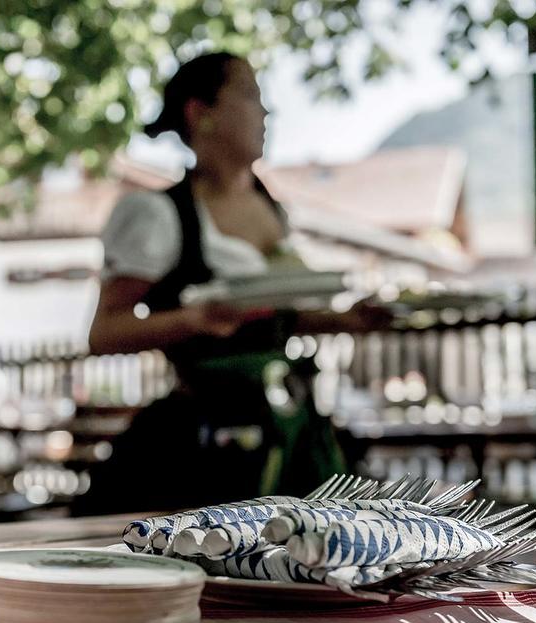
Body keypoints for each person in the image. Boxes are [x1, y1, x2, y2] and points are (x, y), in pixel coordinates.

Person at [74, 52, 387, 516]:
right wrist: (193, 320)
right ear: (200, 114)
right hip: (204, 440)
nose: (265, 112)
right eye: (249, 95)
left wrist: (347, 318)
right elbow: (104, 334)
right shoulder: (160, 215)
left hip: (290, 424)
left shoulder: (270, 206)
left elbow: (275, 315)